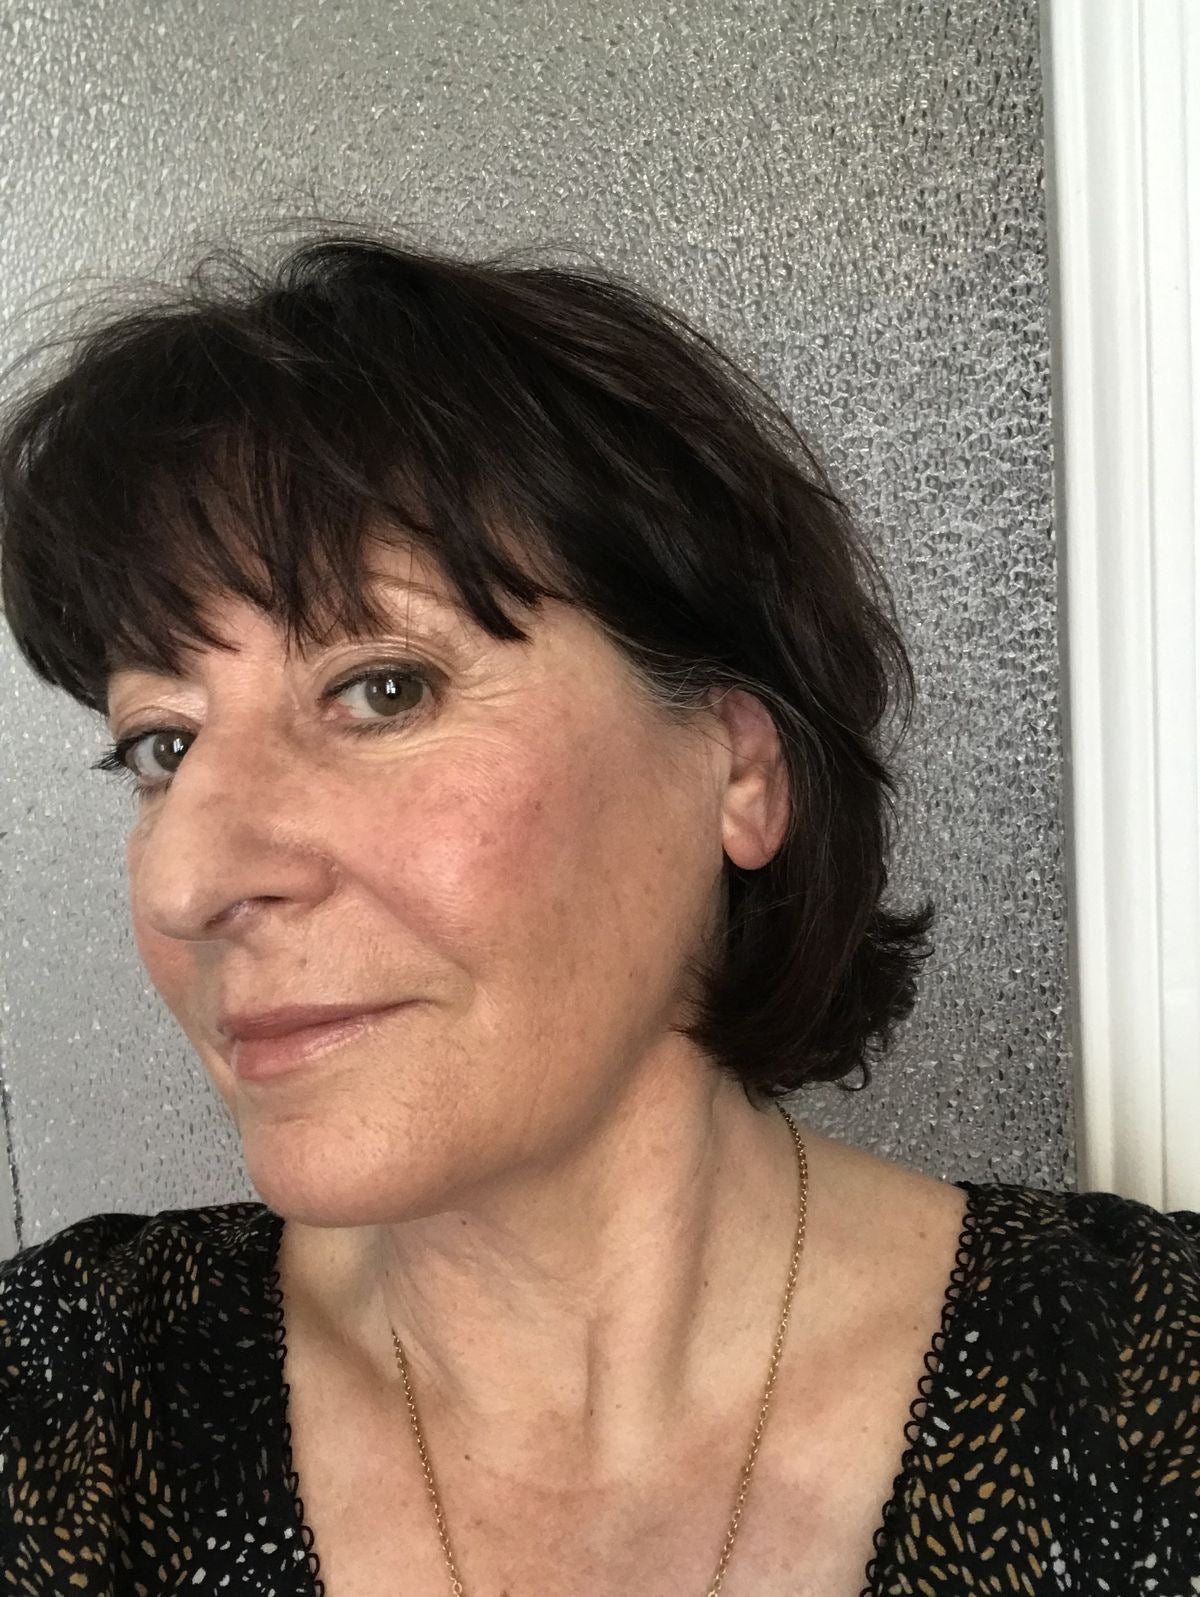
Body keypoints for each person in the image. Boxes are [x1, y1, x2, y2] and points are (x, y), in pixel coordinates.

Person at [0, 223, 1195, 1597]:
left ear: (740, 772)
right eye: (162, 744)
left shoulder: (1145, 1401)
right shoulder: (65, 1413)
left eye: (383, 689)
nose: (188, 880)